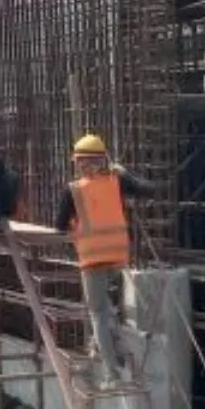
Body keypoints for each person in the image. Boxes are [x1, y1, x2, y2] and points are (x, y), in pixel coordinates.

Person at [53, 133, 152, 381]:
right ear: (103, 160)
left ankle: (111, 370)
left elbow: (59, 226)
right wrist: (125, 173)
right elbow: (148, 190)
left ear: (79, 162)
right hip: (118, 256)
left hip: (92, 259)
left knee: (97, 312)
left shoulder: (73, 190)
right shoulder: (117, 181)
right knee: (111, 307)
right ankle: (112, 347)